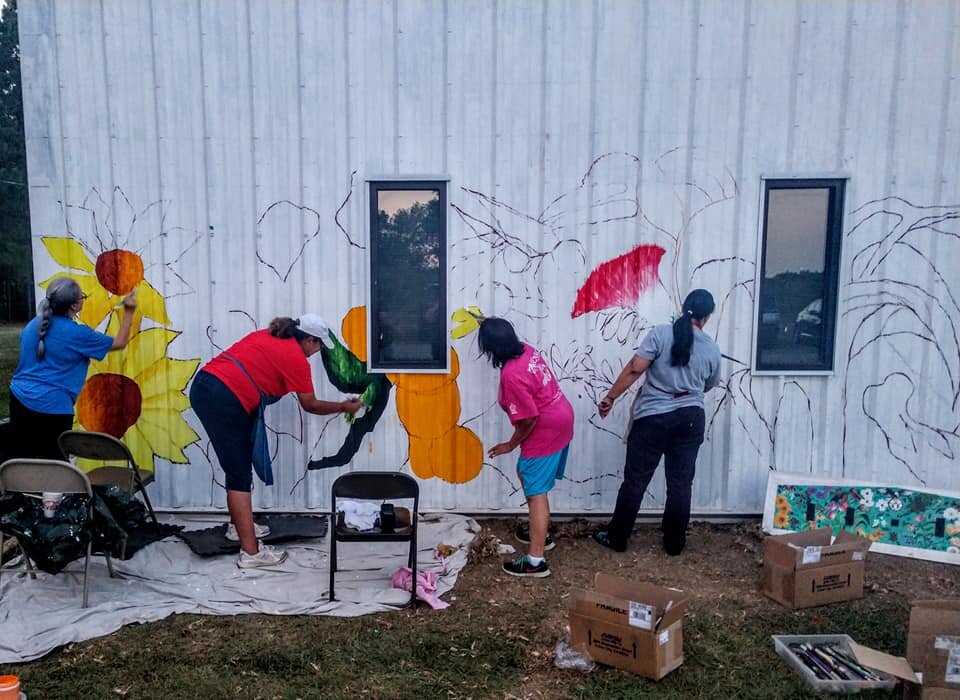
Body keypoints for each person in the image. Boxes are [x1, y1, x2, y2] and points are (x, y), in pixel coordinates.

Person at [189, 315, 362, 569]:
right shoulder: (295, 359)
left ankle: (239, 528)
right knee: (238, 472)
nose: (318, 351)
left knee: (238, 464)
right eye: (320, 346)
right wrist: (343, 407)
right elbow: (310, 404)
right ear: (310, 340)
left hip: (208, 386)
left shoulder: (269, 336)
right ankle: (251, 553)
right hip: (224, 398)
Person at [593, 289, 721, 556]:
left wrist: (610, 398)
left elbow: (634, 368)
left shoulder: (660, 334)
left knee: (635, 480)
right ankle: (675, 543)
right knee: (681, 482)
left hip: (652, 418)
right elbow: (709, 385)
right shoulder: (712, 347)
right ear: (707, 317)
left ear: (683, 306)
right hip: (690, 419)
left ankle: (618, 537)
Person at [479, 317, 574, 578]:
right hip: (561, 415)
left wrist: (510, 444)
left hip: (545, 427)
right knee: (528, 476)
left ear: (490, 348)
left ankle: (535, 560)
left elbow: (529, 418)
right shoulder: (525, 349)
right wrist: (484, 321)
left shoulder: (511, 375)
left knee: (536, 492)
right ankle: (539, 531)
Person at [8, 277, 137, 461]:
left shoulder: (32, 326)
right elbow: (119, 342)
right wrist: (129, 312)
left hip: (19, 400)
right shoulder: (78, 334)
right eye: (82, 297)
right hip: (52, 408)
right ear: (74, 306)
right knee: (54, 468)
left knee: (25, 459)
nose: (84, 299)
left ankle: (22, 490)